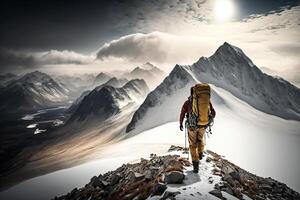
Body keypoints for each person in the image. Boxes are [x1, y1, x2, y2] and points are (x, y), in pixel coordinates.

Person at [179, 84, 216, 173]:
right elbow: (214, 113)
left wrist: (180, 123)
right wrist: (208, 118)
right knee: (200, 139)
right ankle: (200, 153)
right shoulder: (207, 102)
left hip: (192, 126)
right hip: (203, 125)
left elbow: (182, 113)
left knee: (192, 144)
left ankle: (196, 165)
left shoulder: (187, 103)